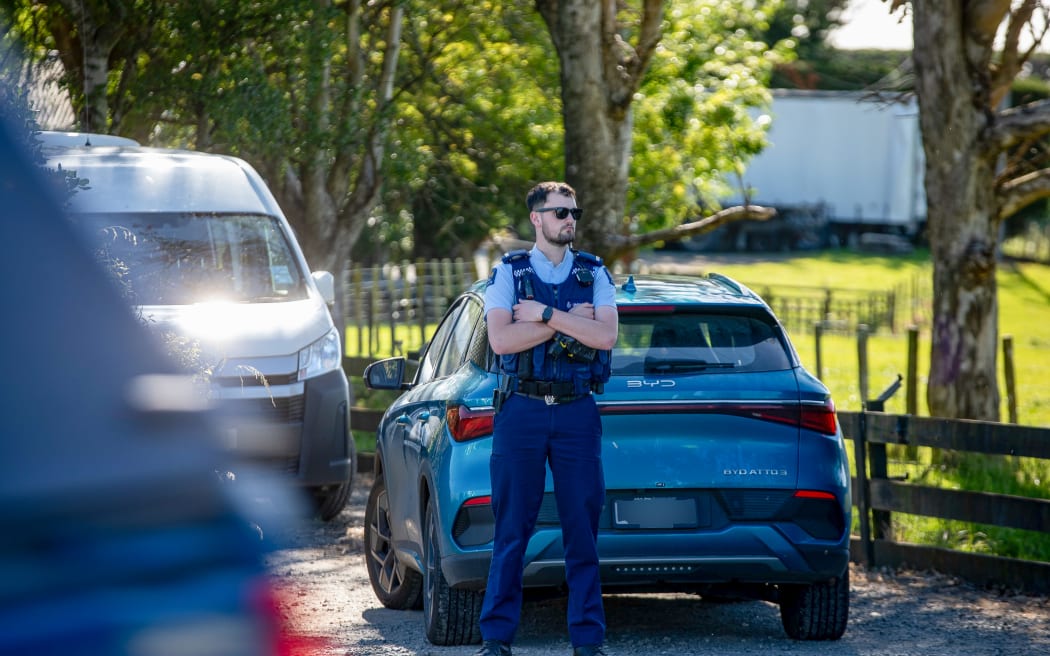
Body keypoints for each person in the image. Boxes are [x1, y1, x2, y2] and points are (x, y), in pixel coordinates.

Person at [477, 181, 619, 656]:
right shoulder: (508, 273)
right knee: (512, 528)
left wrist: (541, 315)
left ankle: (587, 641)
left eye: (574, 212)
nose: (570, 220)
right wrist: (568, 320)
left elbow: (606, 337)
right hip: (522, 411)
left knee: (583, 528)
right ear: (536, 219)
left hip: (577, 412)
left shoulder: (593, 271)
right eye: (560, 212)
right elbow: (500, 342)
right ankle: (496, 638)